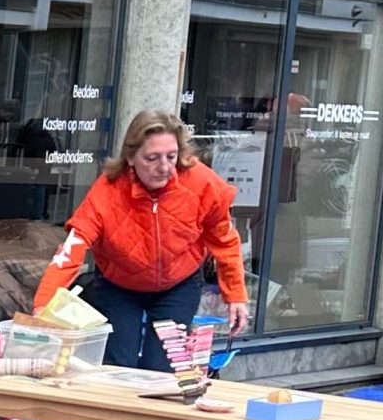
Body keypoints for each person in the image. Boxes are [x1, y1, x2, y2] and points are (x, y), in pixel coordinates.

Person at [31, 109, 252, 370]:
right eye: (152, 158)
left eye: (171, 157)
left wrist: (236, 295)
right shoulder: (107, 192)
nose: (164, 168)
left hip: (178, 283)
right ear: (131, 157)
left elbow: (224, 240)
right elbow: (71, 250)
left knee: (164, 368)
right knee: (116, 365)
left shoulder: (202, 184)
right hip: (119, 284)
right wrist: (43, 305)